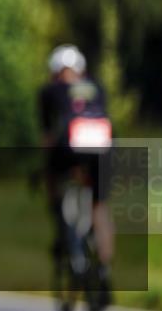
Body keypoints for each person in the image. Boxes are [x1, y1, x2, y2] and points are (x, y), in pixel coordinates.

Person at [38, 44, 114, 305]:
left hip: (69, 150)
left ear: (56, 71)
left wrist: (44, 170)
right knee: (100, 207)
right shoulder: (98, 86)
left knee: (53, 173)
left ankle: (57, 211)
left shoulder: (51, 90)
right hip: (102, 147)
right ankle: (104, 268)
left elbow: (47, 135)